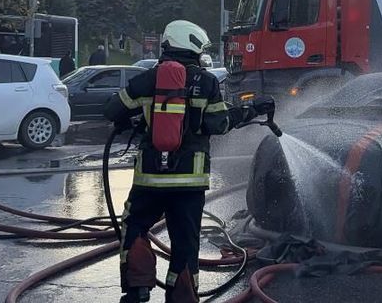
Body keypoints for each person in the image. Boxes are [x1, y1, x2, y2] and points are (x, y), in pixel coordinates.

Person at [104, 20, 274, 303]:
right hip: (189, 183)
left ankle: (137, 289)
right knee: (185, 243)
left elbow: (112, 110)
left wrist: (134, 117)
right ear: (193, 46)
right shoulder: (206, 83)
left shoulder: (148, 79)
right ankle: (181, 297)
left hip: (149, 180)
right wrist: (250, 110)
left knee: (134, 226)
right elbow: (219, 123)